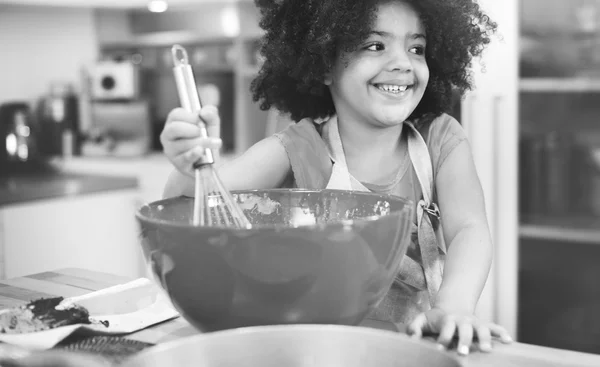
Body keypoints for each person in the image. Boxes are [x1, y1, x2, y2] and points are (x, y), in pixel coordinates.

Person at [161, 0, 513, 356]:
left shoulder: (440, 138)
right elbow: (194, 201)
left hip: (414, 349)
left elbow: (469, 228)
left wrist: (453, 306)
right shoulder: (297, 147)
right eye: (375, 46)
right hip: (317, 351)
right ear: (325, 63)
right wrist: (190, 164)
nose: (403, 63)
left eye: (416, 48)